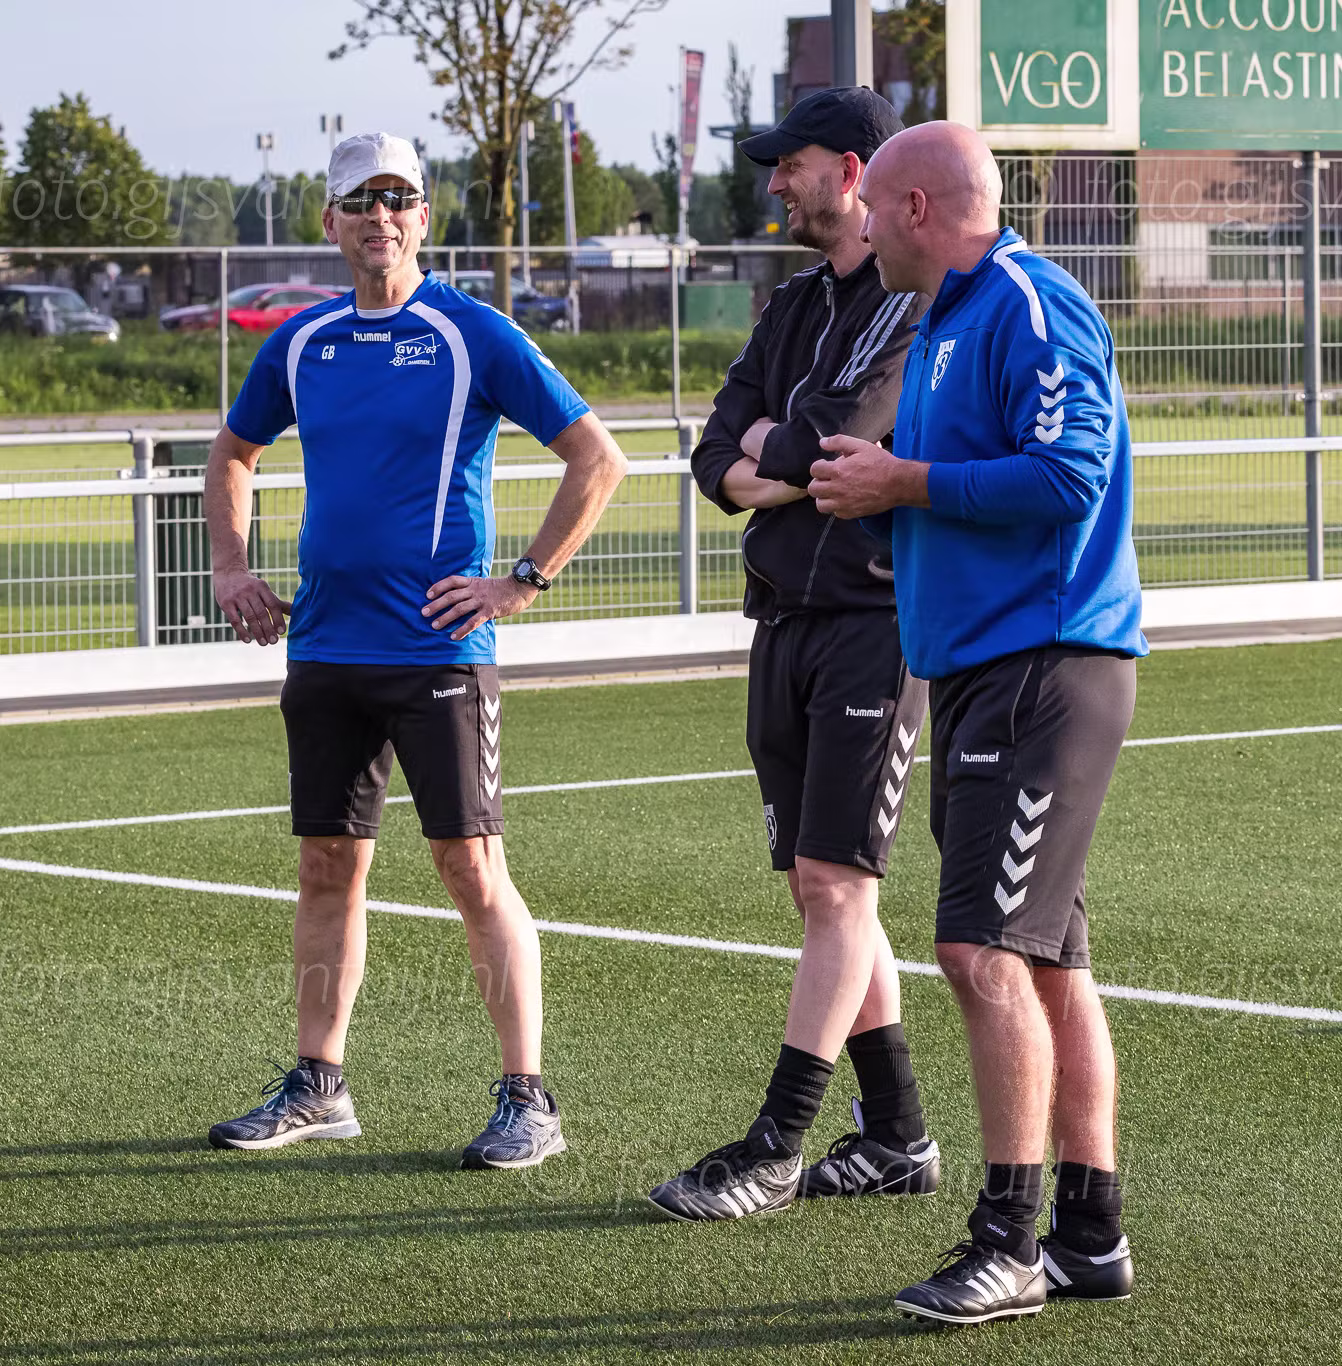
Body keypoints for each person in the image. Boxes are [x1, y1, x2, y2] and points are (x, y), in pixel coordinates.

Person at [200, 132, 627, 1168]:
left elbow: (596, 458)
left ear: (424, 217)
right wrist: (230, 566)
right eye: (360, 200)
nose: (379, 216)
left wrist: (520, 580)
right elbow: (234, 451)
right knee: (325, 867)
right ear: (329, 220)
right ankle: (319, 1085)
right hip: (326, 648)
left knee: (470, 865)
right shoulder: (301, 341)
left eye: (398, 198)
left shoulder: (471, 332)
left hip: (440, 651)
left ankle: (529, 1098)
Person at [807, 121, 1144, 1325]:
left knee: (978, 951)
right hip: (978, 672)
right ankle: (1088, 1236)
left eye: (870, 209)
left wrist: (902, 480)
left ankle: (1006, 1240)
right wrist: (873, 494)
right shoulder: (944, 321)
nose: (856, 229)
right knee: (1044, 960)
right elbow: (960, 492)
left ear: (912, 207)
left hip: (1042, 669)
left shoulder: (1027, 303)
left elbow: (1066, 475)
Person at [646, 87, 941, 1222]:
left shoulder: (911, 299)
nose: (775, 182)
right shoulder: (792, 304)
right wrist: (782, 459)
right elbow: (714, 452)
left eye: (791, 162)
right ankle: (898, 1136)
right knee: (818, 890)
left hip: (874, 620)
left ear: (854, 170)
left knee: (835, 885)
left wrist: (778, 452)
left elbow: (837, 437)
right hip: (780, 616)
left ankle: (776, 1143)